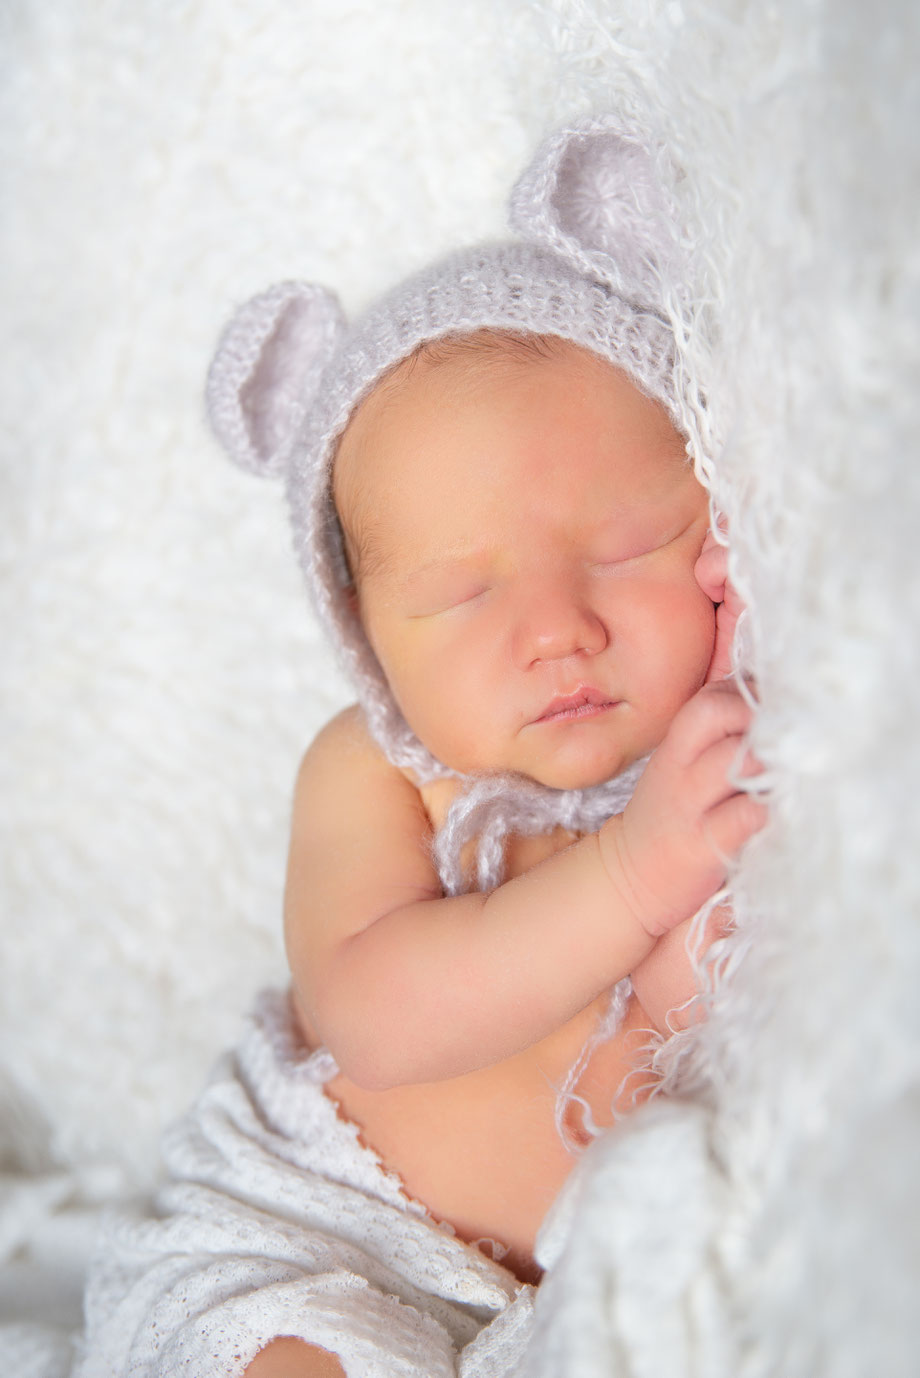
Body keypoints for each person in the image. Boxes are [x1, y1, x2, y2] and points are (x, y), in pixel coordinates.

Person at [76, 118, 765, 1378]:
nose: (557, 629)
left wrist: (765, 629)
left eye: (622, 549)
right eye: (460, 597)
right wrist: (628, 870)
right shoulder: (380, 767)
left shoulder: (720, 736)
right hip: (308, 1230)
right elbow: (376, 1015)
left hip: (555, 1298)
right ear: (364, 640)